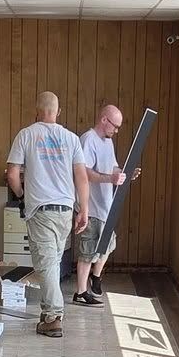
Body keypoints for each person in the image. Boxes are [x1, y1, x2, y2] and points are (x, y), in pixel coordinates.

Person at [5, 91, 88, 338]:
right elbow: (81, 177)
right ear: (58, 112)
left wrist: (21, 195)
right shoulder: (72, 139)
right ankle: (47, 312)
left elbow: (12, 174)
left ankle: (53, 317)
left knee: (47, 264)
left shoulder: (26, 135)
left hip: (41, 210)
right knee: (52, 260)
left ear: (37, 110)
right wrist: (84, 209)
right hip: (65, 210)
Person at [72, 101, 139, 305]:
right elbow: (85, 173)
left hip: (106, 207)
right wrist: (110, 179)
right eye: (115, 126)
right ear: (104, 120)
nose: (116, 131)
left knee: (107, 246)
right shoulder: (88, 140)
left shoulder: (107, 142)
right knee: (87, 251)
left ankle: (96, 277)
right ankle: (81, 292)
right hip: (90, 207)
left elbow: (113, 168)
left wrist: (125, 175)